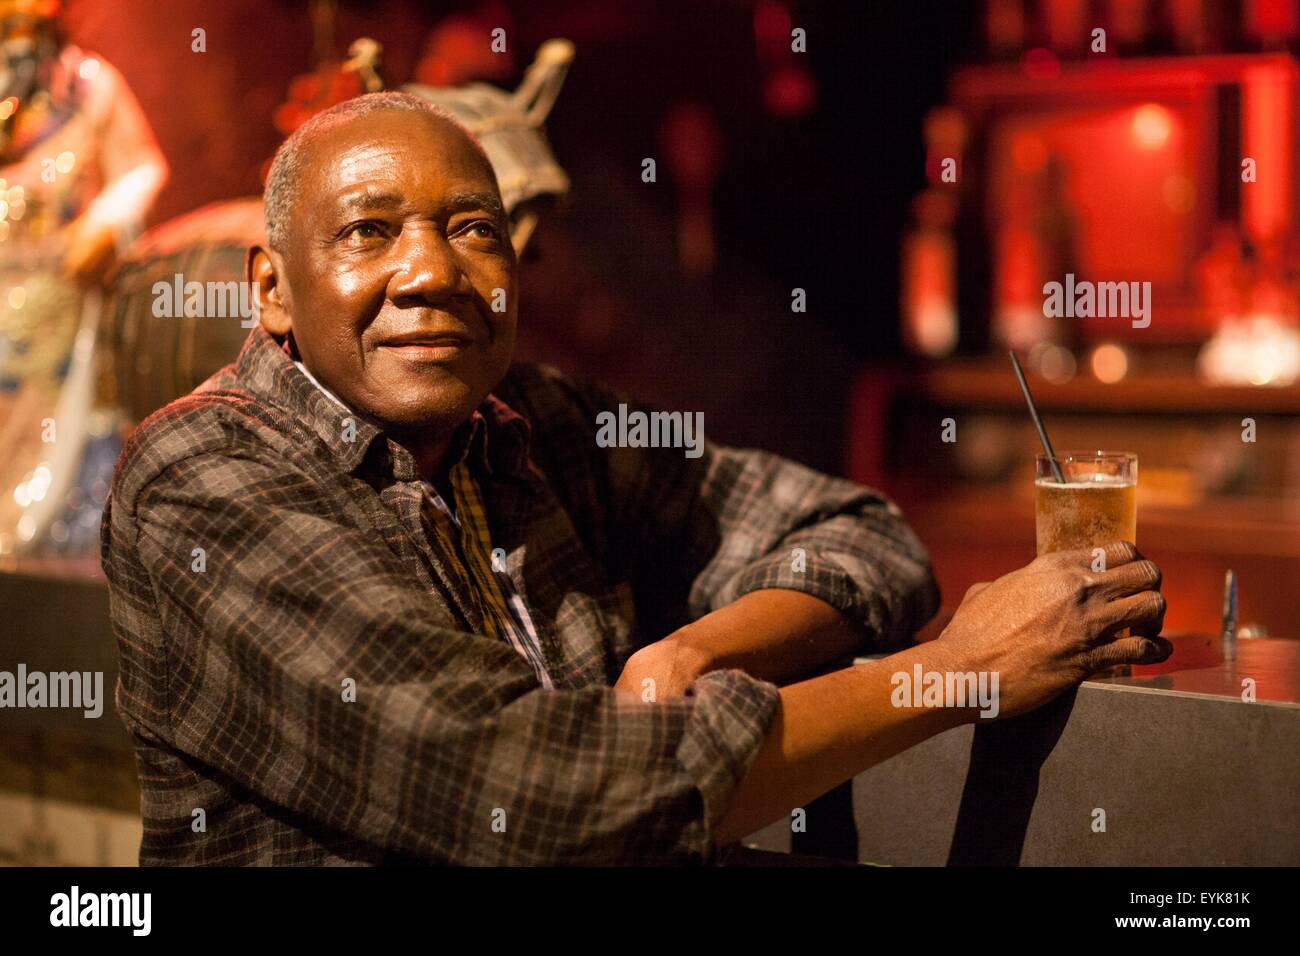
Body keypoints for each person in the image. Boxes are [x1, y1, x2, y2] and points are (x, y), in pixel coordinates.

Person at [101, 92, 1169, 866]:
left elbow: (862, 533)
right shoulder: (202, 479)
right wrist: (957, 672)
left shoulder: (538, 426)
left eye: (471, 227)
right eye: (369, 231)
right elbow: (527, 791)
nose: (430, 270)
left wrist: (694, 647)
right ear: (273, 290)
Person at [0, 0, 166, 556]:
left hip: (60, 310)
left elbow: (141, 169)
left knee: (57, 459)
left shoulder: (86, 86)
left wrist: (107, 223)